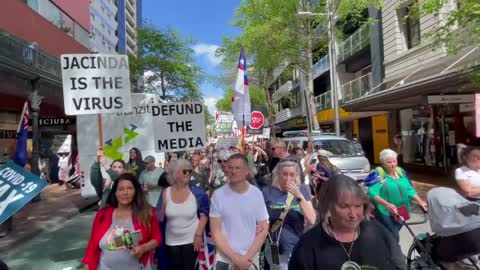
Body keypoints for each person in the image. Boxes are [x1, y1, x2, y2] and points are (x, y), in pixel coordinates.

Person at [288, 174, 405, 270]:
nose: (353, 214)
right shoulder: (308, 245)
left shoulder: (378, 232)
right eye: (344, 206)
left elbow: (399, 265)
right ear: (329, 206)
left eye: (358, 206)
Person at [82, 173, 161, 270]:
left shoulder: (147, 213)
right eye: (121, 189)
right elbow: (92, 243)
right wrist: (87, 264)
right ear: (115, 193)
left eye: (130, 188)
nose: (125, 193)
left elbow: (157, 238)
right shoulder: (103, 214)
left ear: (136, 191)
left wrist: (143, 248)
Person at [210, 154, 269, 270]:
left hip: (250, 259)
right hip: (225, 259)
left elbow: (263, 228)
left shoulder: (256, 194)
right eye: (230, 167)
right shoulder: (218, 195)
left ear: (247, 171)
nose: (233, 171)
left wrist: (246, 258)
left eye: (237, 168)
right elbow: (216, 232)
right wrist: (236, 259)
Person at [262, 160, 316, 269]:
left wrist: (298, 195)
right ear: (278, 174)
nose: (288, 178)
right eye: (284, 174)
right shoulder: (267, 192)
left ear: (296, 175)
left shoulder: (302, 190)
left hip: (297, 245)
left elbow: (312, 219)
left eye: (292, 174)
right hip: (276, 247)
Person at [365, 149, 427, 242]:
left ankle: (384, 247)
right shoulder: (378, 173)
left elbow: (409, 189)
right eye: (389, 162)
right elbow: (372, 193)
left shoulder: (401, 172)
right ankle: (394, 254)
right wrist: (386, 204)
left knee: (392, 233)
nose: (393, 164)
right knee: (394, 236)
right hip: (384, 210)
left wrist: (420, 201)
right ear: (382, 162)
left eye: (394, 161)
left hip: (403, 209)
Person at [159, 159, 209, 270]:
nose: (188, 174)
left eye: (189, 171)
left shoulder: (197, 193)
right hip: (171, 240)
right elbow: (162, 216)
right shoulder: (166, 192)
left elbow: (204, 214)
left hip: (191, 240)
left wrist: (198, 235)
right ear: (174, 174)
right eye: (184, 171)